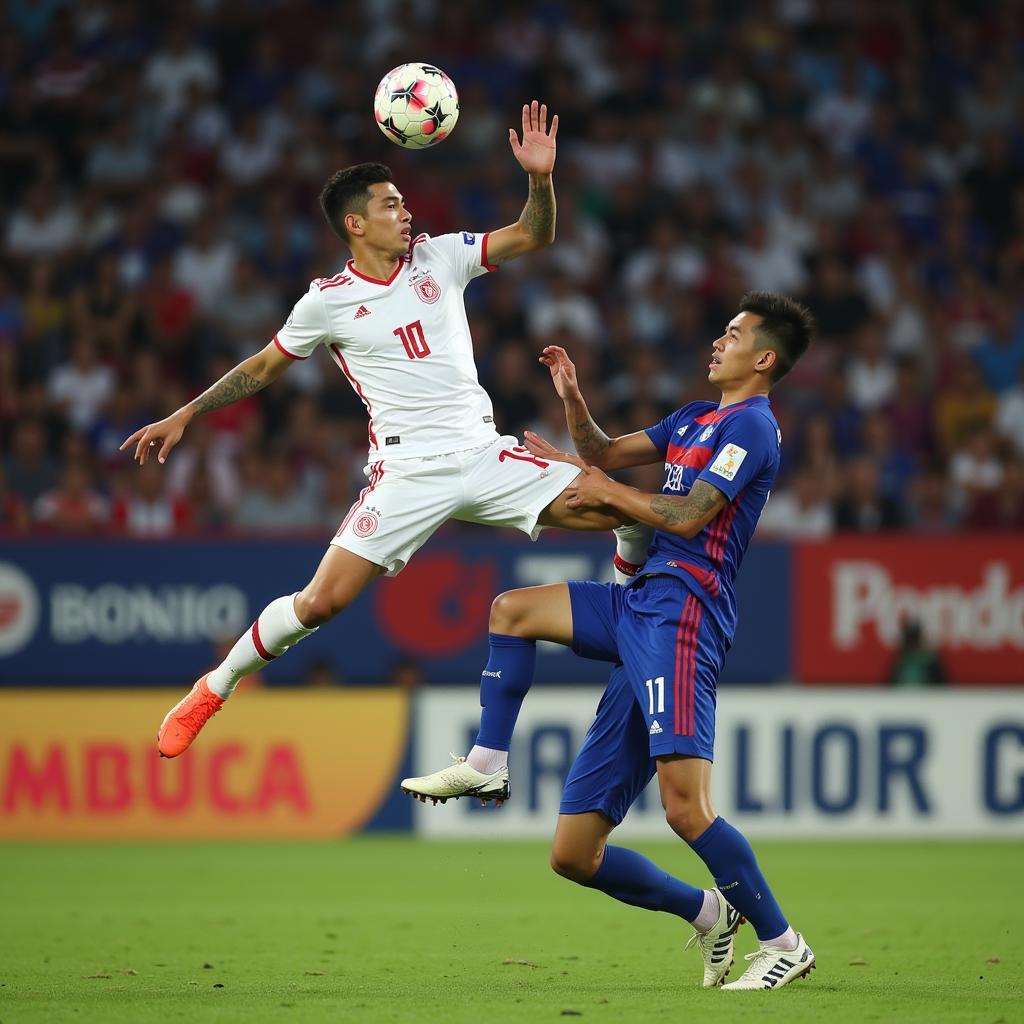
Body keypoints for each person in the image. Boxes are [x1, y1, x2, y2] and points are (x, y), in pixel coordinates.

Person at [122, 102, 649, 758]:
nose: (407, 214)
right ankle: (214, 687)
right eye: (391, 205)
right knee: (318, 605)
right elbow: (262, 367)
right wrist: (187, 413)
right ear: (355, 223)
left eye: (404, 203)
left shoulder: (442, 257)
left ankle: (629, 615)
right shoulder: (327, 300)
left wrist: (540, 182)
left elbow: (530, 236)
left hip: (485, 453)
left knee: (625, 506)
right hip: (407, 472)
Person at [402, 292, 817, 991]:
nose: (719, 342)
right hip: (640, 604)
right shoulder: (694, 416)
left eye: (734, 334)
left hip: (684, 615)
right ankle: (704, 910)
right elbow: (603, 453)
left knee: (686, 807)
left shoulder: (753, 428)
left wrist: (603, 489)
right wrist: (573, 402)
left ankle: (782, 941)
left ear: (764, 358)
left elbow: (687, 516)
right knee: (571, 848)